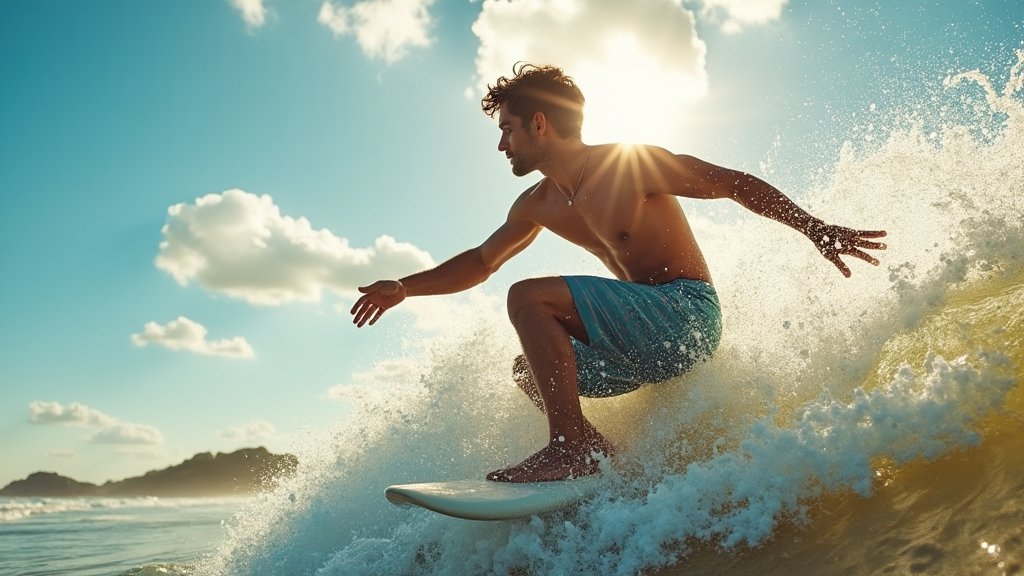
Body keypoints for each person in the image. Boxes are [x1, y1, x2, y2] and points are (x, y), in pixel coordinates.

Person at [350, 63, 887, 483]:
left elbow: (732, 182)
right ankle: (601, 456)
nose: (501, 144)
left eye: (507, 129)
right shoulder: (537, 203)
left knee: (529, 298)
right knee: (529, 371)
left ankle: (570, 449)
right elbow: (480, 261)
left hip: (686, 316)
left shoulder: (630, 164)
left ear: (540, 123)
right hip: (642, 344)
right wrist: (406, 287)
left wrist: (816, 228)